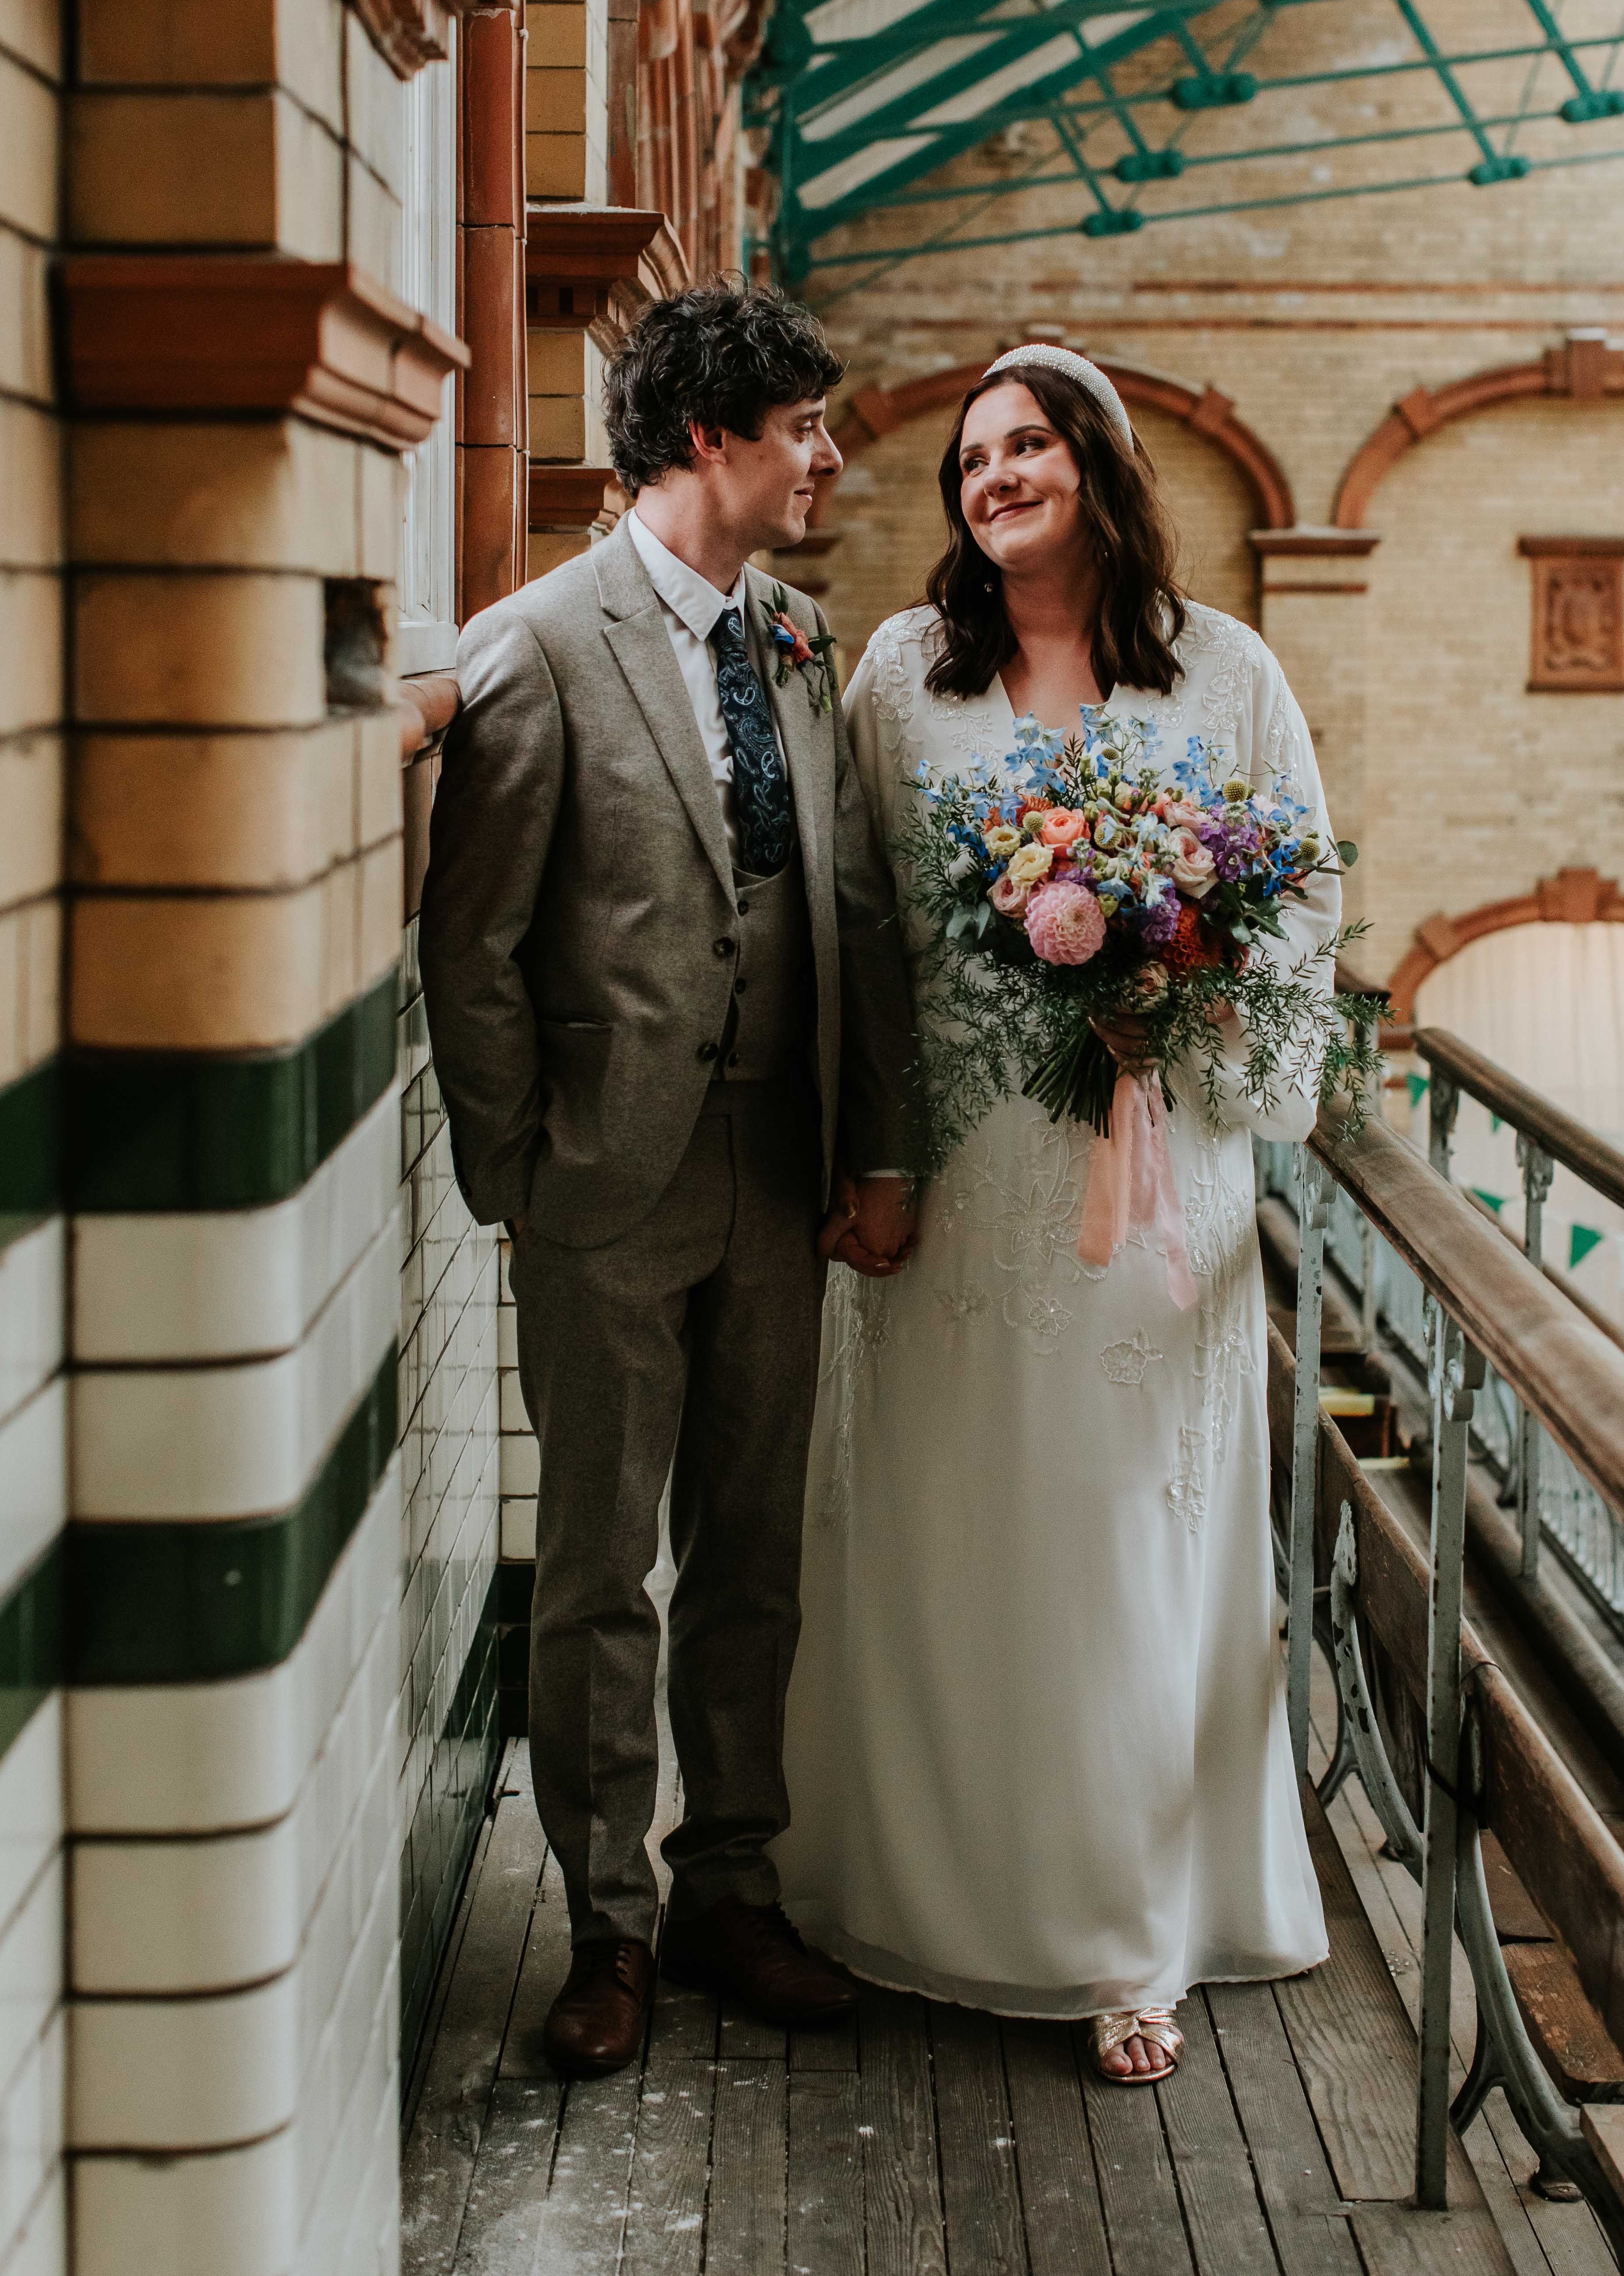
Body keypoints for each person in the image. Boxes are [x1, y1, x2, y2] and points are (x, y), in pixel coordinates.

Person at [776, 345, 1333, 2084]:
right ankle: (924, 1889)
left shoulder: (1227, 672)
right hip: (958, 1184)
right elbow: (857, 928)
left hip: (1160, 1183)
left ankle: (1126, 1935)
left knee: (1127, 1552)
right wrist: (867, 1157)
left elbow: (1303, 896)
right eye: (972, 459)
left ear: (1096, 466)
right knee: (951, 1532)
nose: (994, 477)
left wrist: (1183, 995)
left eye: (1026, 446)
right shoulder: (901, 673)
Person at [420, 280, 922, 2081]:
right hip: (604, 1189)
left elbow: (849, 905)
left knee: (751, 1557)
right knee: (595, 1576)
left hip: (779, 1172)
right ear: (708, 436)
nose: (825, 457)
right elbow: (474, 944)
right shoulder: (536, 644)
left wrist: (876, 1145)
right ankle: (606, 1930)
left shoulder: (795, 633)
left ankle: (730, 1887)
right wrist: (521, 1169)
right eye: (802, 427)